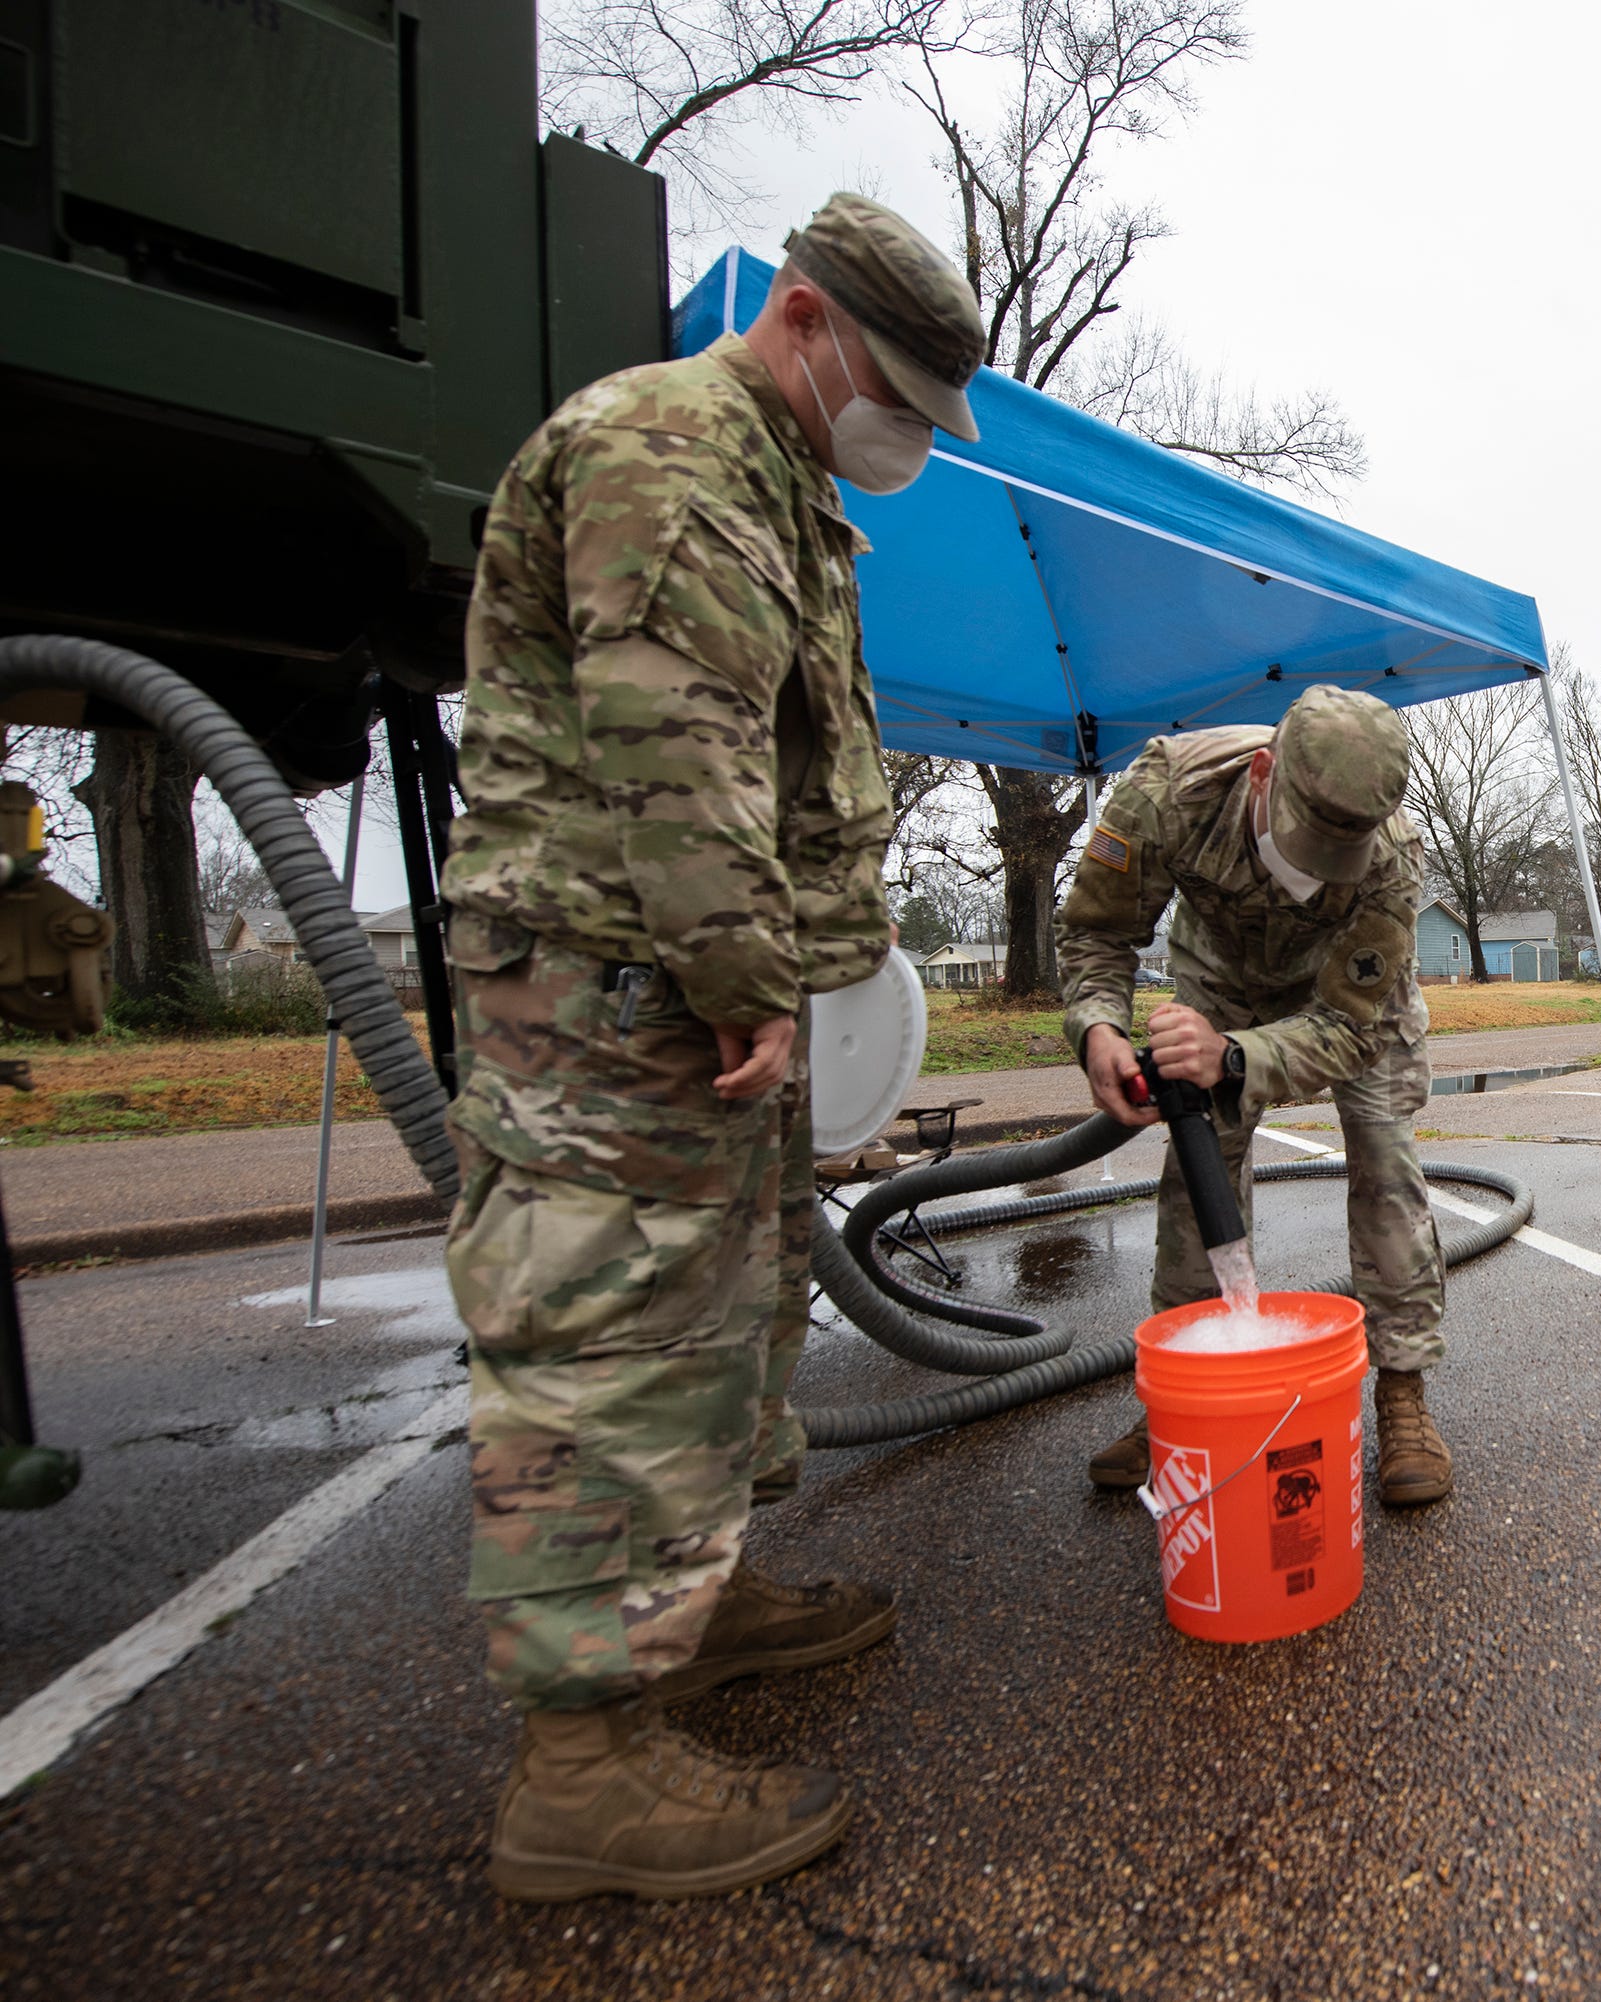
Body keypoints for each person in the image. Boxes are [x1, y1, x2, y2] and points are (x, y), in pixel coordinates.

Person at [437, 193, 983, 1903]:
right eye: (889, 387)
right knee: (611, 1334)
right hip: (621, 983)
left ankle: (703, 1596)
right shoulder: (674, 447)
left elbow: (790, 760)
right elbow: (677, 748)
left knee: (726, 1317)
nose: (901, 432)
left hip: (693, 985)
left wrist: (826, 955)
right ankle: (582, 1768)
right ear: (804, 321)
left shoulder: (783, 486)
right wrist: (750, 969)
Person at [1059, 686, 1455, 1508]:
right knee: (1197, 1167)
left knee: (1384, 1158)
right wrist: (1099, 1026)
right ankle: (1187, 1390)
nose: (1316, 869)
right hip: (1220, 976)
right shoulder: (1170, 790)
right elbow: (1098, 931)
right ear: (1264, 773)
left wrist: (1234, 1057)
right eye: (1306, 838)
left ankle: (1404, 1393)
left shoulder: (1390, 855)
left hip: (1346, 1002)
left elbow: (1348, 1030)